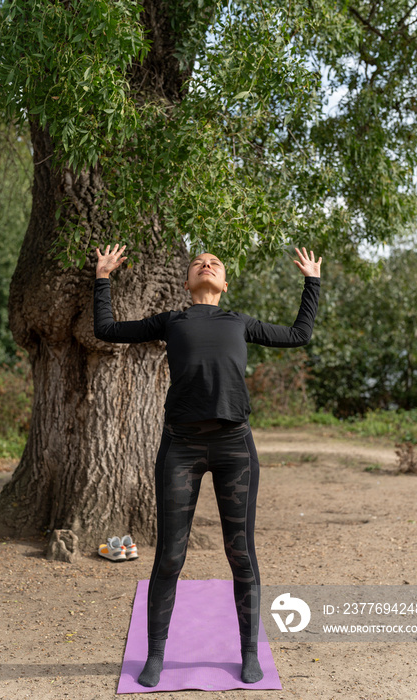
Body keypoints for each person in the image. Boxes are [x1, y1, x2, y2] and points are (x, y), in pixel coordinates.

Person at [94, 244, 322, 687]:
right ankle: (156, 655)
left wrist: (311, 282)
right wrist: (103, 279)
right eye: (198, 262)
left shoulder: (239, 321)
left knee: (242, 555)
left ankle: (249, 653)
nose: (207, 264)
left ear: (224, 283)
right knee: (170, 557)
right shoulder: (172, 320)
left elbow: (299, 335)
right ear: (187, 282)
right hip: (180, 446)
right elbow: (106, 329)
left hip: (234, 445)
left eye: (216, 263)